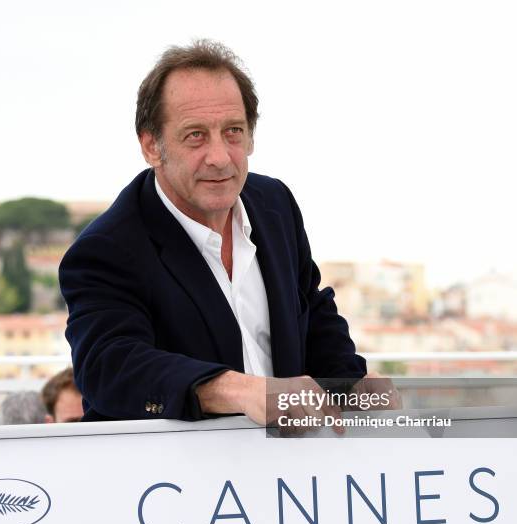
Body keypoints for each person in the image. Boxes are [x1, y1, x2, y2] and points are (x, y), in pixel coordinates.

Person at [59, 40, 374, 426]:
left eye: (233, 132)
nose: (220, 157)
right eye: (195, 135)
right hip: (169, 476)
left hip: (289, 464)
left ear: (251, 136)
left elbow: (312, 311)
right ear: (150, 146)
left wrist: (353, 387)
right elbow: (109, 365)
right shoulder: (106, 249)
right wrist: (240, 391)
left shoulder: (274, 203)